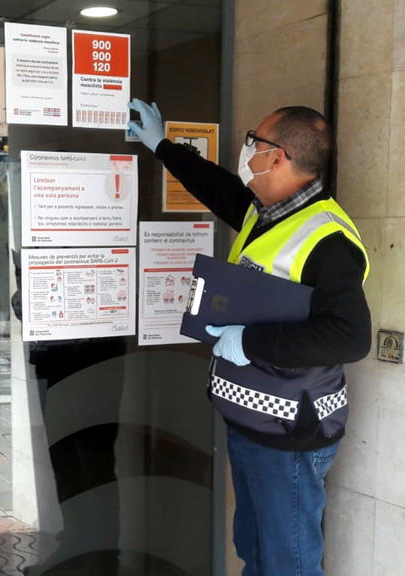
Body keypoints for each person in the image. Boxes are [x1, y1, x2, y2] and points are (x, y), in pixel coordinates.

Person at [128, 99, 371, 576]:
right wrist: (162, 146)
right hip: (254, 421)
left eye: (253, 142)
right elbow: (217, 189)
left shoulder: (328, 240)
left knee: (288, 563)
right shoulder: (267, 211)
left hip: (291, 433)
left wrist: (250, 341)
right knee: (256, 551)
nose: (248, 151)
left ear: (276, 156)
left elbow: (350, 336)